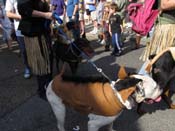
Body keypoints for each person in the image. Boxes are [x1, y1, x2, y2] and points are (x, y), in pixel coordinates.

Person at [17, 0, 53, 100]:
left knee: (49, 60)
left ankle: (50, 87)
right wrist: (45, 14)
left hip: (44, 33)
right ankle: (42, 90)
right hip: (33, 35)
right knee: (39, 63)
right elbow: (25, 10)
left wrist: (49, 14)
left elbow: (46, 10)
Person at [5, 0, 31, 79]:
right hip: (20, 28)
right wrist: (21, 17)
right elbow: (8, 13)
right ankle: (27, 67)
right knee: (24, 50)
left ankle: (37, 67)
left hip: (33, 27)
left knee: (34, 49)